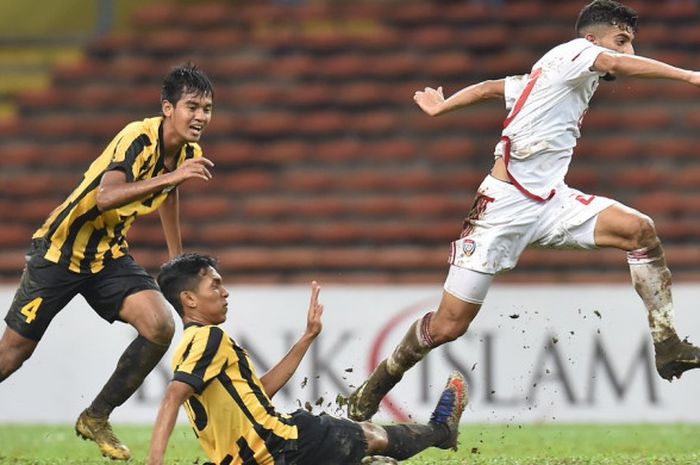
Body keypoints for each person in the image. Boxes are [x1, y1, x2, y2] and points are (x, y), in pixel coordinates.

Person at [347, 0, 700, 423]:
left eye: (631, 44)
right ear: (591, 38)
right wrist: (689, 75)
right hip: (502, 209)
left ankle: (668, 344)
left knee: (639, 230)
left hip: (551, 201)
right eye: (622, 41)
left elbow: (490, 88)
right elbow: (614, 63)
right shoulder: (576, 53)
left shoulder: (554, 75)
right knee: (447, 327)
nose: (628, 53)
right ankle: (376, 386)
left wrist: (443, 106)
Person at [0, 64, 216, 460]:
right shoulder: (138, 137)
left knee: (159, 326)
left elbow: (170, 195)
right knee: (12, 354)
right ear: (167, 108)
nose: (201, 116)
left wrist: (177, 262)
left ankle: (96, 416)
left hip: (107, 255)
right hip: (60, 251)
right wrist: (172, 178)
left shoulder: (187, 153)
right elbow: (106, 196)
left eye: (207, 108)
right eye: (192, 106)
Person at [147, 253, 467, 465]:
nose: (224, 292)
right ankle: (441, 433)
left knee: (362, 440)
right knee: (372, 435)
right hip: (282, 443)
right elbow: (173, 396)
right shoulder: (209, 338)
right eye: (214, 285)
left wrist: (307, 337)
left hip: (257, 460)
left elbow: (257, 395)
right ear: (189, 299)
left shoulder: (188, 349)